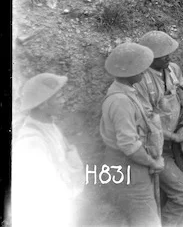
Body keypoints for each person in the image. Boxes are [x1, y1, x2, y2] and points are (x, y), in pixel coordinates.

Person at [100, 42, 165, 227]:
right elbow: (128, 145)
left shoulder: (126, 92)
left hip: (131, 165)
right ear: (129, 72)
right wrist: (153, 162)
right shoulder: (121, 101)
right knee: (147, 220)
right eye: (140, 68)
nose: (144, 72)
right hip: (127, 166)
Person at [135, 31, 183, 226]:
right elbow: (146, 123)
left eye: (169, 53)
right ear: (149, 58)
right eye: (162, 55)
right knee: (182, 193)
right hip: (155, 149)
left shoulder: (173, 70)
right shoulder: (141, 81)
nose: (169, 57)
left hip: (176, 140)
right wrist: (175, 137)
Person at [13, 73, 84, 227]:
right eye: (58, 97)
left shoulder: (49, 125)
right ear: (43, 104)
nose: (63, 101)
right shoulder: (32, 142)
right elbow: (44, 194)